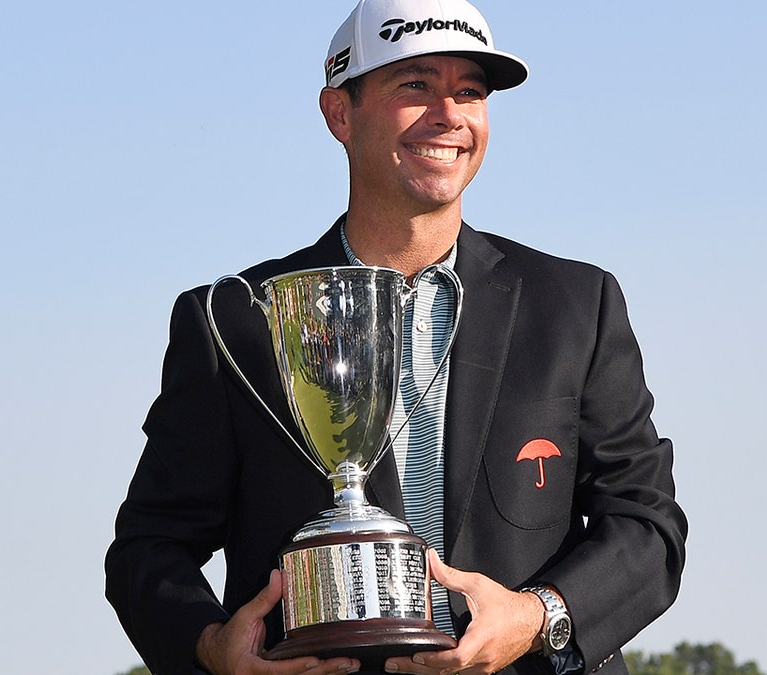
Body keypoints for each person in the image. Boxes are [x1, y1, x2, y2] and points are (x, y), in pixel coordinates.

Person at [105, 1, 687, 674]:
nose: (449, 113)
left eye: (469, 91)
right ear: (340, 113)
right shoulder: (237, 319)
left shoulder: (577, 306)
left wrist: (536, 616)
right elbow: (149, 548)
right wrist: (211, 646)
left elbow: (647, 527)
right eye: (415, 85)